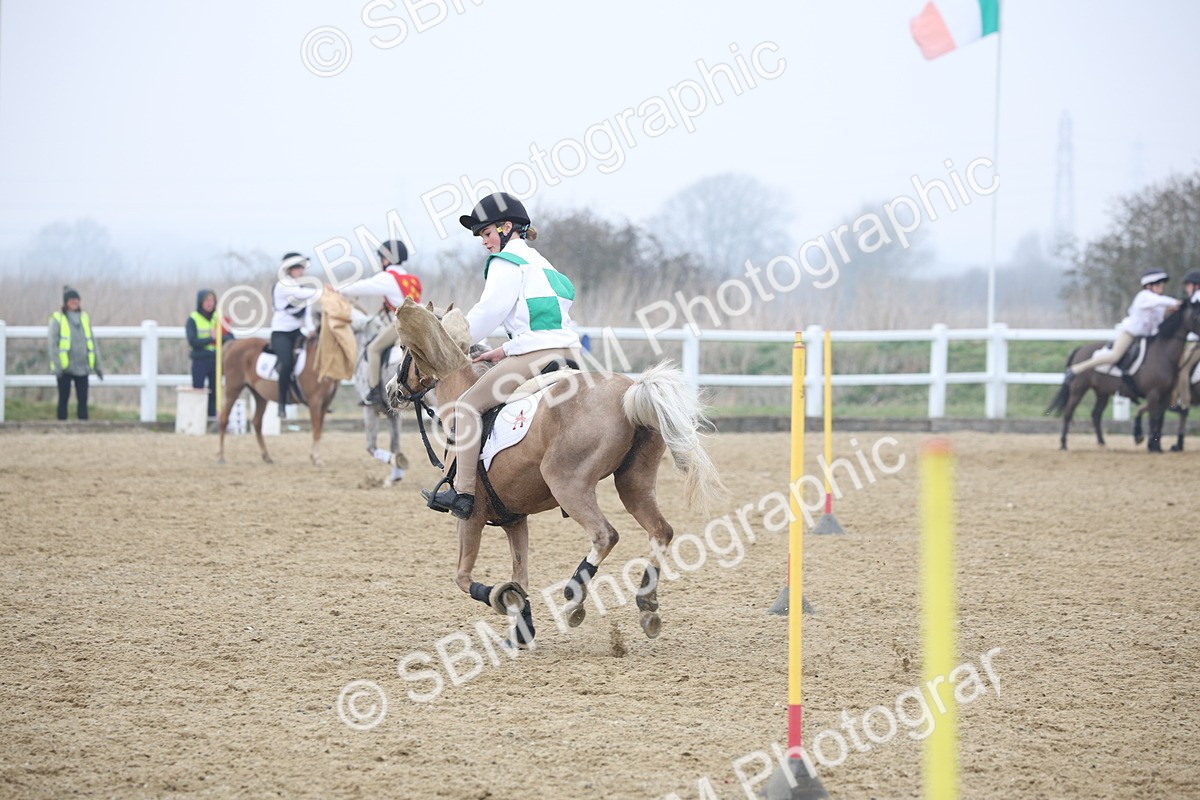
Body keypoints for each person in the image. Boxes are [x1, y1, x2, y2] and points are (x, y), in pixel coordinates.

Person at [422, 192, 580, 519]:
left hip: (535, 357)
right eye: (480, 235)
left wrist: (450, 342)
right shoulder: (542, 263)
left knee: (466, 406)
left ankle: (463, 493)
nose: (484, 241)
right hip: (570, 355)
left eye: (487, 233)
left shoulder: (505, 262)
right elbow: (542, 322)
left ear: (507, 227)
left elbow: (486, 314)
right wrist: (505, 349)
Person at [336, 240, 422, 406]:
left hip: (403, 323)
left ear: (386, 259)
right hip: (419, 321)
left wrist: (339, 290)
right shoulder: (412, 279)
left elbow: (362, 286)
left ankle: (374, 391)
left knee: (373, 349)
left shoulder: (388, 277)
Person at [1066, 269, 1181, 381]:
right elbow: (1160, 301)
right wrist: (1176, 302)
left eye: (1162, 284)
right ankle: (1077, 369)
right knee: (1114, 356)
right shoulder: (1144, 296)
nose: (1162, 286)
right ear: (1149, 285)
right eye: (1159, 284)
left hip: (1147, 338)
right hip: (1130, 334)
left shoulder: (1159, 303)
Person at [270, 253, 320, 418]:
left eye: (302, 268)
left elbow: (306, 313)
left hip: (296, 332)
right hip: (281, 333)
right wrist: (324, 291)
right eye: (298, 268)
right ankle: (282, 402)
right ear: (289, 270)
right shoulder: (283, 286)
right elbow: (304, 294)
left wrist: (311, 329)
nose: (301, 271)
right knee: (286, 363)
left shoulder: (298, 288)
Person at [48, 285, 103, 420]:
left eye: (76, 299)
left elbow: (92, 342)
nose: (75, 302)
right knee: (64, 398)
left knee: (83, 399)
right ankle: (62, 425)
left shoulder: (84, 318)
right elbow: (52, 345)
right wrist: (58, 366)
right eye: (72, 299)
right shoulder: (58, 319)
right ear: (66, 302)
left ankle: (83, 426)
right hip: (65, 367)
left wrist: (98, 366)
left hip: (83, 367)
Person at [186, 289, 233, 419]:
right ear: (200, 302)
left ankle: (212, 417)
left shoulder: (218, 318)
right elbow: (193, 341)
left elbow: (230, 337)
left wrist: (219, 337)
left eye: (212, 300)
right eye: (207, 300)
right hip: (200, 359)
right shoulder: (193, 319)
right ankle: (197, 419)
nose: (210, 303)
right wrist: (211, 338)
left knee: (215, 390)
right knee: (198, 390)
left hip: (216, 360)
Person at [1173, 269, 1200, 409]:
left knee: (1182, 368)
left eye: (1188, 285)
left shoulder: (1197, 297)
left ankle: (1184, 402)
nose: (1186, 289)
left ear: (1196, 286)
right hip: (1195, 341)